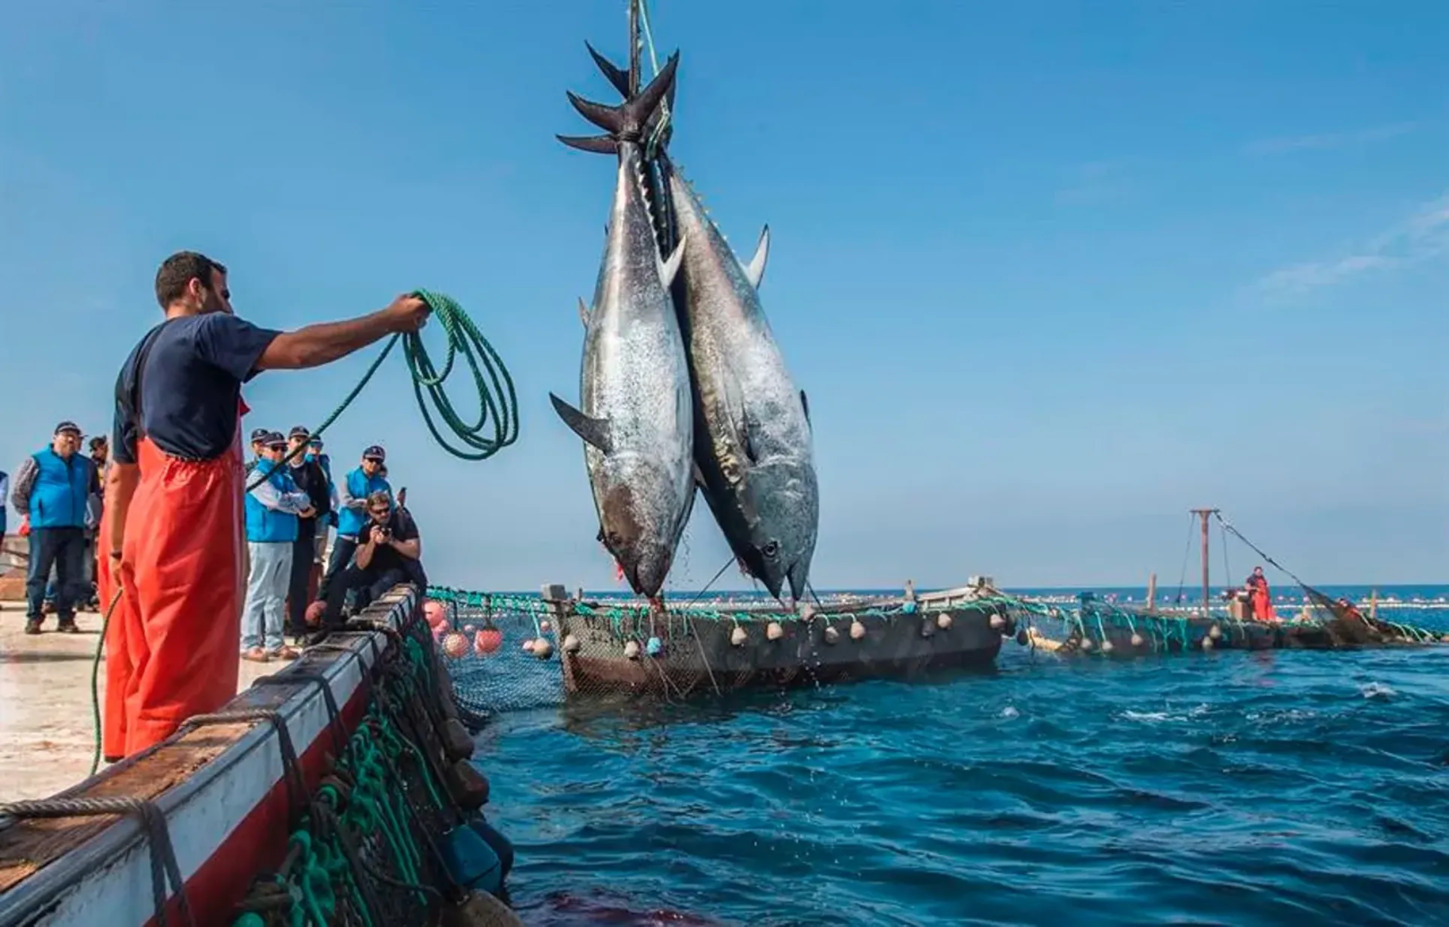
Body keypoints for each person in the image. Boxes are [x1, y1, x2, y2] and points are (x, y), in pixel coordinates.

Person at [103, 250, 429, 758]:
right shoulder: (206, 330)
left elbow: (119, 471)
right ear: (196, 290)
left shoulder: (136, 359)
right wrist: (389, 320)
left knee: (143, 657)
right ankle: (167, 775)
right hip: (186, 518)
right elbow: (299, 350)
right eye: (225, 293)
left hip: (141, 518)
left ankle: (125, 761)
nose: (231, 306)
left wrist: (119, 550)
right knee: (184, 664)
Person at [10, 422, 97, 634]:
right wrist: (31, 513)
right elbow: (19, 491)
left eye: (75, 436)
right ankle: (34, 617)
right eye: (66, 435)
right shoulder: (37, 460)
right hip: (44, 527)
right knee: (38, 574)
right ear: (55, 437)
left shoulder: (86, 465)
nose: (71, 440)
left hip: (74, 527)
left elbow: (93, 492)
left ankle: (66, 618)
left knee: (71, 576)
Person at [242, 432, 313, 661]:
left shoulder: (285, 475)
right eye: (275, 448)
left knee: (278, 595)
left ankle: (274, 641)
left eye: (283, 448)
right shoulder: (257, 475)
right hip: (264, 539)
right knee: (258, 591)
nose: (280, 452)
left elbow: (304, 499)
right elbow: (274, 501)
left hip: (285, 538)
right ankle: (249, 642)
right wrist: (293, 503)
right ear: (263, 450)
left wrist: (289, 501)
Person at [311, 489, 426, 628]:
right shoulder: (366, 528)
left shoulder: (403, 521)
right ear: (371, 512)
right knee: (340, 579)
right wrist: (372, 542)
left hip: (397, 569)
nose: (383, 514)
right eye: (379, 512)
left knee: (377, 590)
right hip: (373, 569)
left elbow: (414, 552)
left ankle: (368, 620)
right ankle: (331, 622)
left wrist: (392, 541)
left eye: (386, 510)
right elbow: (361, 564)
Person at [318, 445, 392, 602]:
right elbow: (347, 501)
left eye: (378, 461)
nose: (374, 464)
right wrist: (368, 504)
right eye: (371, 460)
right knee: (334, 569)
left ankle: (353, 608)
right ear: (363, 460)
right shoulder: (349, 478)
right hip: (348, 532)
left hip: (367, 538)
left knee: (358, 573)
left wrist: (368, 506)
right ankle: (320, 603)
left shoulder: (383, 485)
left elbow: (387, 508)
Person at [284, 426, 332, 639]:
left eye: (304, 440)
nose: (301, 444)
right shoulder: (280, 469)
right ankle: (271, 629)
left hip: (304, 534)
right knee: (276, 584)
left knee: (299, 583)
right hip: (281, 534)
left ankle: (298, 629)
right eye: (297, 440)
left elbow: (324, 503)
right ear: (289, 443)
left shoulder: (314, 471)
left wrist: (313, 511)